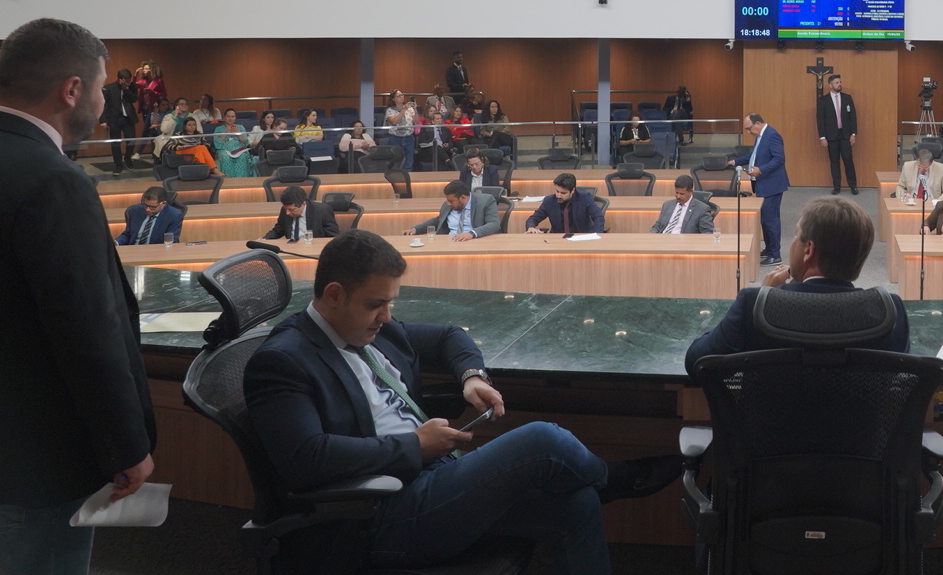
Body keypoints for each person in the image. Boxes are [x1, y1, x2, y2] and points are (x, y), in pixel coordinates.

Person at [246, 229, 678, 574]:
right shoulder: (284, 360)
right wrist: (415, 446)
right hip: (377, 513)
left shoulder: (372, 327)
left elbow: (451, 337)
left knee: (576, 505)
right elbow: (306, 458)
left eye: (390, 303)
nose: (387, 317)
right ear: (335, 295)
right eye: (376, 304)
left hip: (432, 478)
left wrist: (471, 377)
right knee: (541, 441)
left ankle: (601, 485)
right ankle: (615, 480)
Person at [0, 18, 156, 572]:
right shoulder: (54, 180)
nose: (102, 103)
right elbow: (88, 330)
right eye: (101, 88)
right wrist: (126, 446)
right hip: (34, 460)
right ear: (72, 90)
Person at [685, 197, 907, 374]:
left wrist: (766, 295)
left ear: (808, 250)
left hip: (769, 420)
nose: (792, 244)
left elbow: (697, 362)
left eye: (795, 236)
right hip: (862, 421)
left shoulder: (753, 304)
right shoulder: (889, 310)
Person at [731, 112, 789, 266]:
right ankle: (769, 249)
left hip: (772, 185)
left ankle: (775, 255)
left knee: (771, 220)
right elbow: (754, 155)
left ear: (757, 123)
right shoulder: (760, 136)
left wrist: (761, 170)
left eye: (749, 128)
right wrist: (736, 161)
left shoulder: (772, 135)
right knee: (765, 220)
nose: (748, 132)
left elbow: (779, 159)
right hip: (763, 185)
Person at [409, 181, 500, 241]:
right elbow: (438, 220)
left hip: (474, 240)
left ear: (463, 198)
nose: (448, 204)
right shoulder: (447, 205)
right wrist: (416, 229)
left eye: (451, 201)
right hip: (449, 241)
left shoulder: (485, 201)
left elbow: (494, 224)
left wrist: (471, 233)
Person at [816, 73, 859, 195]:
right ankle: (836, 187)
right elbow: (820, 120)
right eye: (836, 83)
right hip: (831, 136)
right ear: (830, 85)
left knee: (848, 160)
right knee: (834, 161)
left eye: (840, 82)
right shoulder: (823, 100)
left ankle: (853, 186)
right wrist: (822, 137)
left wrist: (853, 134)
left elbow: (853, 117)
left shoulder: (847, 98)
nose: (839, 84)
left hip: (845, 135)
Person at [525, 173, 606, 234]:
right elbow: (533, 218)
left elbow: (598, 217)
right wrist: (531, 227)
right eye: (557, 191)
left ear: (572, 191)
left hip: (582, 237)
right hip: (558, 240)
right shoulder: (549, 201)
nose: (558, 195)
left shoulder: (584, 198)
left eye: (563, 193)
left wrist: (597, 234)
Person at [263, 184, 339, 241]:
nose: (287, 213)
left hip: (314, 248)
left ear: (303, 204)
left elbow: (333, 237)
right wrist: (265, 239)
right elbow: (278, 230)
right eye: (286, 209)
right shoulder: (285, 210)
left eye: (292, 210)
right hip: (291, 248)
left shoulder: (322, 211)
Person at [114, 186, 185, 246]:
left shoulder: (174, 216)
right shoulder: (135, 211)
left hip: (157, 253)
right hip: (133, 250)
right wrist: (116, 242)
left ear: (163, 203)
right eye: (145, 205)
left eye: (152, 207)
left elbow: (169, 242)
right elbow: (128, 235)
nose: (147, 209)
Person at [101, 66, 140, 174]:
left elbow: (134, 99)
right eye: (126, 81)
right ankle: (118, 164)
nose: (129, 82)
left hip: (128, 118)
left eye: (129, 80)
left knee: (131, 139)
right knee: (115, 142)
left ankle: (128, 158)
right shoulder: (109, 88)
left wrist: (126, 89)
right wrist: (103, 120)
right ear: (120, 79)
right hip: (114, 118)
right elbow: (103, 105)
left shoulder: (132, 86)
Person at [651, 175, 716, 234]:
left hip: (684, 241)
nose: (678, 196)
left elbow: (707, 233)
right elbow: (658, 225)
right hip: (663, 239)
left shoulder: (702, 209)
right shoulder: (667, 205)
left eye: (682, 194)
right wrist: (653, 234)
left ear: (690, 191)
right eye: (676, 193)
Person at [212, 107, 256, 177]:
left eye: (232, 116)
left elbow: (245, 142)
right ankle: (227, 180)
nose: (230, 118)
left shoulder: (240, 127)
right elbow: (217, 144)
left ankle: (243, 180)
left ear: (235, 118)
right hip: (224, 150)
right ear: (224, 117)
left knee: (243, 157)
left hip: (239, 150)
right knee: (225, 157)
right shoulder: (218, 129)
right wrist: (225, 134)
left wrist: (238, 133)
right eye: (228, 116)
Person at [384, 89, 418, 171]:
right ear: (393, 99)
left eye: (402, 95)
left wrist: (415, 109)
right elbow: (394, 122)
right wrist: (404, 110)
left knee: (409, 162)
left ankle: (408, 176)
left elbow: (416, 121)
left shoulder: (410, 109)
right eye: (399, 96)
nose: (402, 97)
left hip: (409, 137)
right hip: (395, 138)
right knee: (396, 162)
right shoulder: (390, 110)